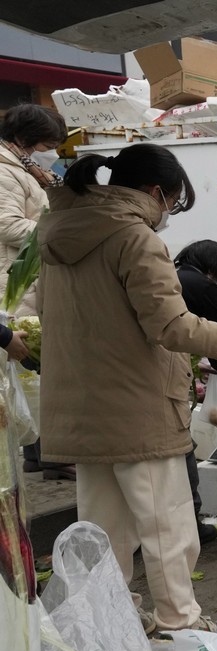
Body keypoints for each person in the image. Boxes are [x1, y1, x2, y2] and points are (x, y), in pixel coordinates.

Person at [36, 143, 217, 634]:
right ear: (155, 192)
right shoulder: (133, 237)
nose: (169, 213)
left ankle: (114, 623)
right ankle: (178, 620)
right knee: (168, 526)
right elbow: (171, 325)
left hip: (83, 407)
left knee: (104, 532)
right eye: (175, 202)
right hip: (136, 407)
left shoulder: (58, 235)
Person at [1, 103, 71, 480]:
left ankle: (41, 454)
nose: (52, 150)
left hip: (30, 282)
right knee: (33, 370)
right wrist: (59, 231)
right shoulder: (4, 172)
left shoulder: (26, 169)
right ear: (25, 140)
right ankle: (48, 454)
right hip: (14, 283)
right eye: (47, 142)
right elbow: (8, 225)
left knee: (34, 372)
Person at [174, 238, 217, 545]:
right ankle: (191, 525)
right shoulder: (204, 286)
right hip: (169, 383)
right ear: (213, 267)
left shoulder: (171, 273)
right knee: (182, 446)